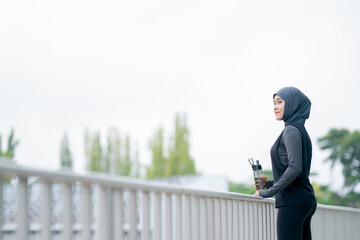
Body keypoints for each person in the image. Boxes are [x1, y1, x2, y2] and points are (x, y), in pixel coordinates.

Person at [253, 86, 317, 240]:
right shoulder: (301, 130)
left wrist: (268, 192)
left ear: (292, 104)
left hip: (293, 203)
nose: (275, 107)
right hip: (303, 200)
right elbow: (298, 172)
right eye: (274, 103)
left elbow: (295, 168)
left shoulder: (291, 130)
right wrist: (270, 184)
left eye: (280, 102)